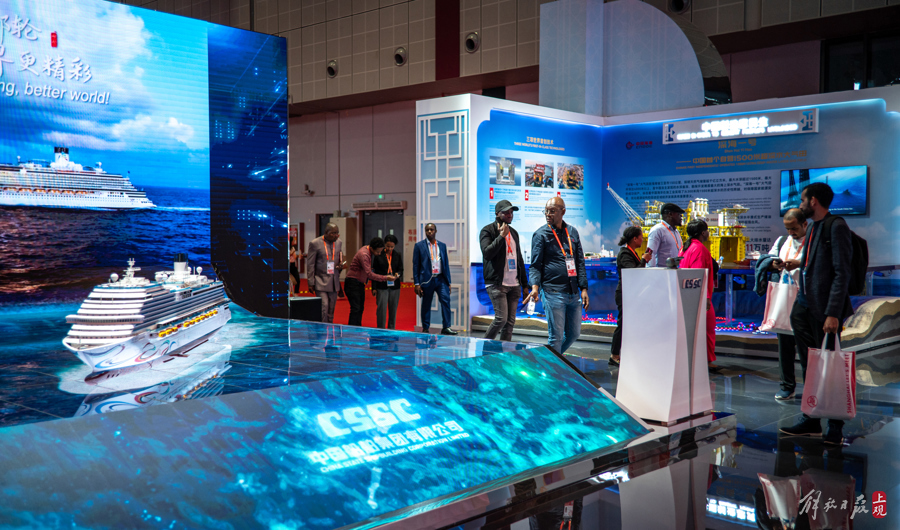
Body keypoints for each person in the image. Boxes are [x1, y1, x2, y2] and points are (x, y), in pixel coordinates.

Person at [780, 183, 854, 445]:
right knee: (810, 365)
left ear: (813, 201)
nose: (800, 204)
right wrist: (798, 264)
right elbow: (815, 262)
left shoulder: (836, 226)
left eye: (803, 200)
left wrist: (833, 313)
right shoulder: (813, 227)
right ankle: (811, 418)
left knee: (830, 367)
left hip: (824, 311)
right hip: (804, 306)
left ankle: (835, 425)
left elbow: (842, 272)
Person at [523, 197, 589, 354]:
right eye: (546, 211)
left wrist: (584, 288)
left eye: (552, 211)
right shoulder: (540, 234)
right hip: (552, 292)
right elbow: (535, 265)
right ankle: (552, 366)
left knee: (574, 334)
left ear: (563, 212)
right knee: (556, 337)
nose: (548, 214)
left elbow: (579, 262)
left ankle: (549, 360)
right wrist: (535, 287)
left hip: (573, 292)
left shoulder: (572, 232)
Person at [755, 208, 808, 401]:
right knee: (784, 345)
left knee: (806, 349)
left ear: (804, 224)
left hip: (805, 299)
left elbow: (821, 265)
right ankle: (787, 385)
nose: (791, 232)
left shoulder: (813, 241)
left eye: (794, 228)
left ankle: (811, 387)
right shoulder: (782, 241)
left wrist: (799, 263)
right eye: (788, 229)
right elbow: (767, 259)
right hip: (784, 298)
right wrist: (774, 264)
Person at [479, 200, 529, 341]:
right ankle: (485, 348)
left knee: (510, 323)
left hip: (514, 284)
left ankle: (504, 351)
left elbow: (519, 260)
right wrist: (501, 236)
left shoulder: (514, 233)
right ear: (497, 214)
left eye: (511, 212)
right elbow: (487, 253)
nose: (510, 214)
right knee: (501, 319)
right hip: (497, 284)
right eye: (506, 212)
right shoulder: (487, 230)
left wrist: (525, 285)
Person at [609, 226, 652, 367]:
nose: (642, 240)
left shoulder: (630, 252)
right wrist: (644, 260)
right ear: (634, 238)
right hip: (625, 294)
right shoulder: (625, 253)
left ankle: (624, 354)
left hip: (631, 294)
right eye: (641, 237)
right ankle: (614, 355)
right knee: (622, 325)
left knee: (628, 325)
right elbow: (633, 274)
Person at [678, 219, 718, 367]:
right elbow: (698, 275)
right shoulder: (699, 249)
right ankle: (707, 361)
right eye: (707, 230)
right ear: (703, 232)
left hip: (687, 294)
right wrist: (705, 297)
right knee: (708, 328)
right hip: (698, 296)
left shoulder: (685, 247)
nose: (708, 233)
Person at [345, 237, 399, 327]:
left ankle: (357, 329)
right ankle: (352, 330)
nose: (379, 254)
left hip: (359, 283)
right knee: (356, 308)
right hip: (353, 283)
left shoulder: (368, 251)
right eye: (378, 252)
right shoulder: (364, 254)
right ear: (372, 248)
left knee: (360, 308)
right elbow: (369, 274)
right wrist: (386, 278)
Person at [413, 224, 457, 335]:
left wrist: (448, 282)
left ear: (435, 231)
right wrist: (417, 283)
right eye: (427, 230)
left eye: (431, 229)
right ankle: (425, 327)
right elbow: (416, 265)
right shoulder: (419, 246)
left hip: (441, 279)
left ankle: (446, 327)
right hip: (427, 279)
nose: (429, 231)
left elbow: (446, 264)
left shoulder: (442, 245)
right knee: (426, 303)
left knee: (445, 301)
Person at [306, 223, 346, 323]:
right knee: (324, 306)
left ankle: (329, 327)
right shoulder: (315, 243)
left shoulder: (339, 242)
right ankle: (322, 328)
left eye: (337, 233)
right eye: (333, 233)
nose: (336, 235)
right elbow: (310, 264)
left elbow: (339, 257)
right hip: (320, 280)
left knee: (331, 309)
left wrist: (340, 265)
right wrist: (310, 282)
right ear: (326, 232)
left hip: (334, 281)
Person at [372, 234, 403, 330]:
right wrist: (374, 288)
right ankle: (380, 329)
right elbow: (374, 273)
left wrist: (397, 274)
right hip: (381, 286)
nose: (389, 248)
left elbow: (401, 269)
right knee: (381, 309)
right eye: (388, 246)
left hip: (395, 286)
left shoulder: (397, 255)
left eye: (392, 247)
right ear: (384, 244)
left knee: (393, 309)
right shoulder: (378, 255)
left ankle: (391, 329)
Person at [646, 202, 685, 267]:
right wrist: (652, 271)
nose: (681, 217)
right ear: (670, 214)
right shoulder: (657, 230)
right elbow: (650, 254)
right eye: (678, 214)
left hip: (674, 270)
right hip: (662, 272)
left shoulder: (676, 231)